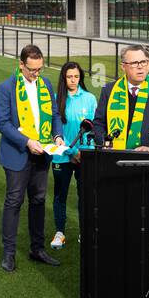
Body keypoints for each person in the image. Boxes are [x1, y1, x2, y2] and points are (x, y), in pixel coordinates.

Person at [0, 45, 65, 272]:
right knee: (14, 201)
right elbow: (2, 123)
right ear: (21, 65)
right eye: (32, 69)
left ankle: (37, 249)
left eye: (40, 69)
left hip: (43, 153)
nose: (37, 73)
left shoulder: (44, 84)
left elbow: (54, 114)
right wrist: (26, 142)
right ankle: (9, 253)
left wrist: (57, 135)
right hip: (18, 153)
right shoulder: (6, 88)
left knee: (38, 201)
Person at [91, 44, 149, 152]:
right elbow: (98, 124)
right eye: (134, 63)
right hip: (115, 158)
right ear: (123, 66)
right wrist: (106, 144)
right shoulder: (109, 90)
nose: (140, 66)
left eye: (143, 62)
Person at [50, 62, 97, 250]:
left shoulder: (90, 98)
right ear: (63, 78)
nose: (73, 80)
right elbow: (56, 130)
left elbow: (95, 128)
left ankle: (83, 231)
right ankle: (60, 232)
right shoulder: (55, 100)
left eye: (76, 76)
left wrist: (83, 152)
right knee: (60, 195)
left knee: (84, 195)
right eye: (69, 76)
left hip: (85, 157)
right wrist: (71, 151)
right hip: (63, 157)